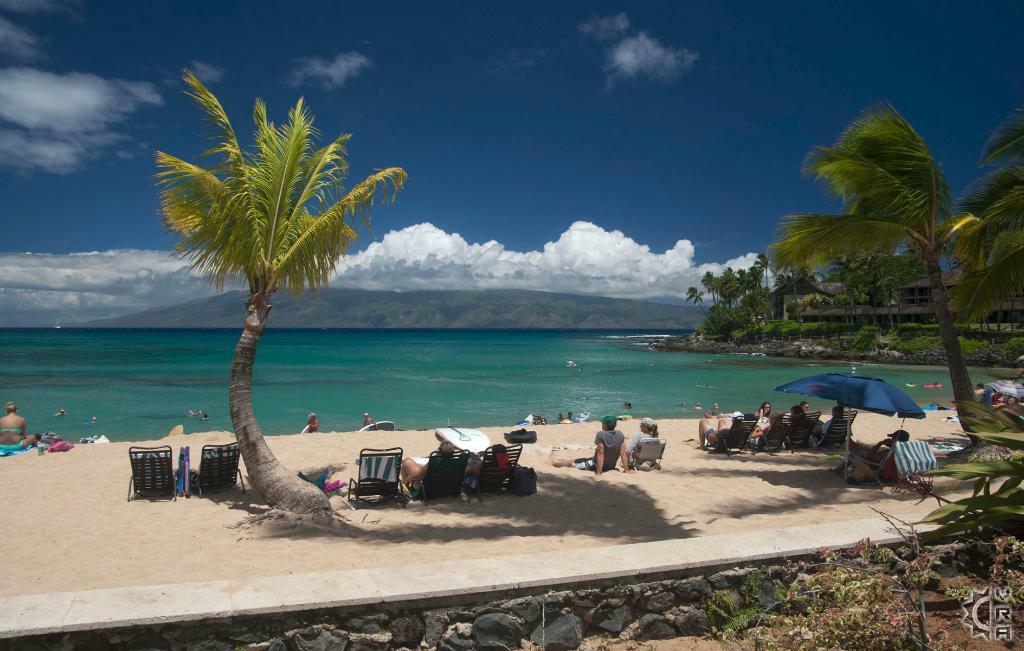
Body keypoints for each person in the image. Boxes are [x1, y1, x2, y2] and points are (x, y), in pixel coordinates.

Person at [549, 415, 633, 475]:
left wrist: (599, 472)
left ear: (605, 425)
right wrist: (626, 470)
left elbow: (601, 454)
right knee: (580, 460)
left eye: (602, 423)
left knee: (570, 463)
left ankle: (552, 462)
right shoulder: (620, 434)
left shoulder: (601, 434)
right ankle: (555, 460)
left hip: (595, 465)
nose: (602, 424)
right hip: (610, 465)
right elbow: (623, 453)